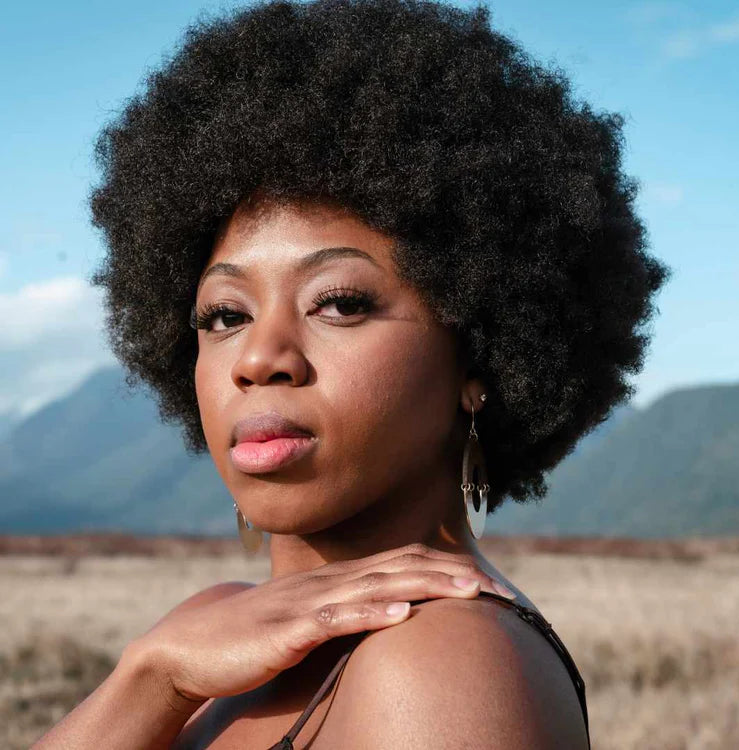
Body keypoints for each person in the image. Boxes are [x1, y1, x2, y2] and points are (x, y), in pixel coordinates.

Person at [32, 0, 671, 747]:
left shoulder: (439, 665)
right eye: (224, 316)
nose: (260, 358)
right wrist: (148, 678)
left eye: (338, 303)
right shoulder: (207, 642)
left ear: (479, 356)